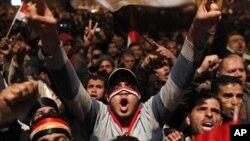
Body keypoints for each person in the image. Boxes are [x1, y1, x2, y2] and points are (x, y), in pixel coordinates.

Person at [25, 0, 221, 140]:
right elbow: (69, 86)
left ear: (138, 94)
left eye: (129, 85)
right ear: (108, 97)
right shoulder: (97, 115)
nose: (123, 89)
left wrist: (198, 30)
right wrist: (50, 36)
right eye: (116, 87)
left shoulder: (152, 112)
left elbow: (179, 80)